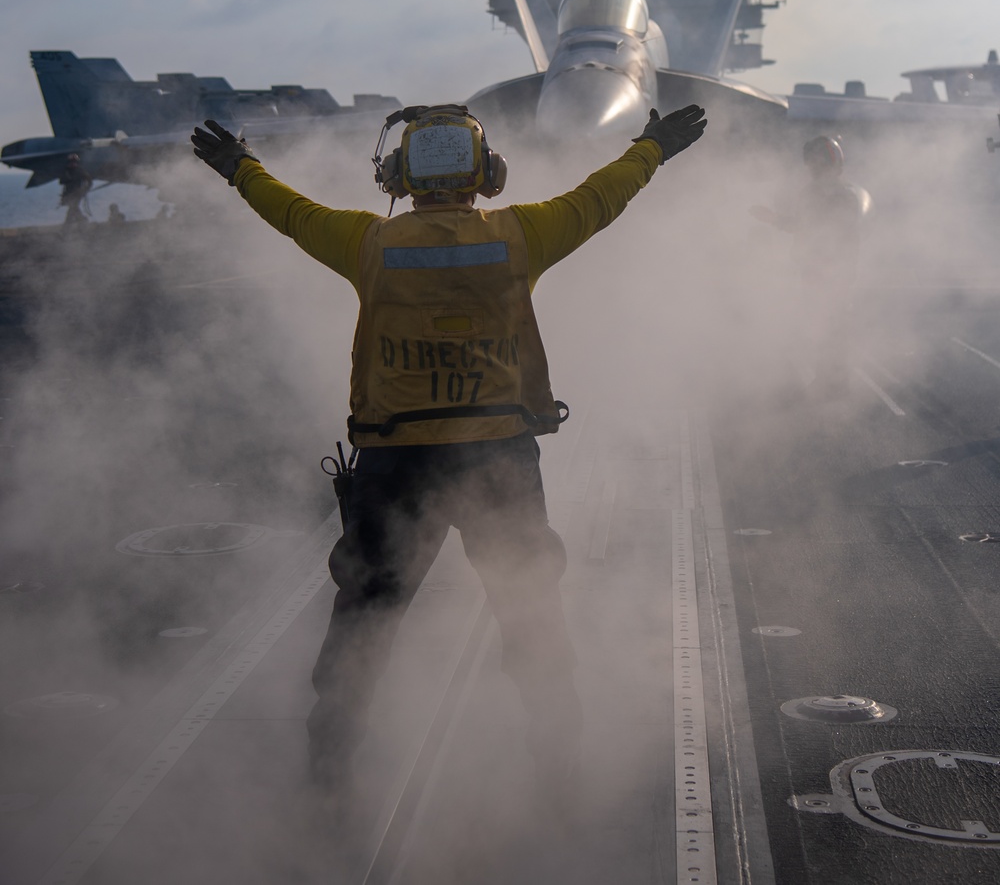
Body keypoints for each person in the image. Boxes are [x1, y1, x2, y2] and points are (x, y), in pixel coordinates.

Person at [190, 101, 706, 807]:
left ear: (397, 175)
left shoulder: (368, 244)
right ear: (487, 174)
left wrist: (238, 167)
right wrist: (653, 146)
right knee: (530, 616)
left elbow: (289, 211)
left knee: (366, 620)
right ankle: (559, 772)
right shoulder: (521, 235)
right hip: (497, 458)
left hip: (396, 463)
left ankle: (330, 776)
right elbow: (602, 196)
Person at [751, 135, 870, 383]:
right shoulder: (823, 194)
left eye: (818, 163)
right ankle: (829, 377)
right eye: (813, 163)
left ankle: (832, 378)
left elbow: (816, 229)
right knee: (822, 324)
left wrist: (773, 219)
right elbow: (806, 227)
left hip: (829, 273)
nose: (814, 169)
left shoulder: (838, 196)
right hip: (820, 271)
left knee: (827, 325)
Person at [58, 152, 93, 224]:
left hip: (77, 194)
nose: (73, 163)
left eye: (74, 162)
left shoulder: (80, 171)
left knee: (72, 209)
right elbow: (61, 181)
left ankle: (66, 229)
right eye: (71, 162)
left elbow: (89, 181)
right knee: (74, 209)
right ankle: (82, 222)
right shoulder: (66, 171)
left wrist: (85, 189)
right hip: (68, 194)